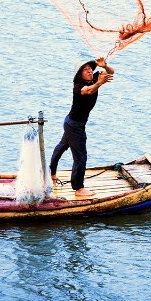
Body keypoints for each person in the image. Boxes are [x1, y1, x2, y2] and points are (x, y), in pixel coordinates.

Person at [49, 57, 114, 198]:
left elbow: (111, 72)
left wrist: (105, 66)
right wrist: (99, 83)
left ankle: (51, 173)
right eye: (85, 69)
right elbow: (88, 91)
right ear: (79, 74)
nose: (89, 70)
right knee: (80, 157)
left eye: (90, 68)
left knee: (62, 146)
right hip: (74, 126)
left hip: (71, 122)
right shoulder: (78, 86)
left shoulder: (94, 78)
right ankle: (78, 189)